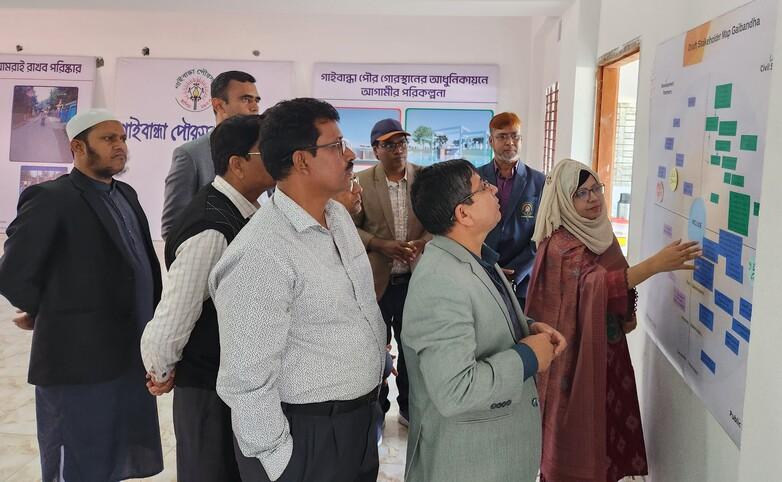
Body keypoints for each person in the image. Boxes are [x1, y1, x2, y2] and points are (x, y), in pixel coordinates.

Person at [209, 98, 386, 482]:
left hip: (356, 424)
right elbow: (245, 380)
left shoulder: (336, 216)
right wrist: (279, 461)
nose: (350, 154)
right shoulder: (261, 252)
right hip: (306, 436)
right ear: (302, 160)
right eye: (336, 145)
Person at [0, 108, 164, 481]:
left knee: (113, 455)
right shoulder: (50, 198)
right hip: (76, 362)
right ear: (77, 146)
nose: (120, 146)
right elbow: (13, 273)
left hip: (126, 357)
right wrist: (45, 310)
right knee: (74, 459)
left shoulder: (126, 194)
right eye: (108, 139)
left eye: (122, 138)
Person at [526, 159, 701, 482]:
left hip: (606, 351)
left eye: (596, 189)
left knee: (607, 428)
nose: (593, 199)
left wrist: (625, 313)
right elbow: (597, 285)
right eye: (582, 193)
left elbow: (609, 284)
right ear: (565, 200)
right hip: (574, 361)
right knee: (575, 433)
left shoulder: (598, 234)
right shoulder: (562, 245)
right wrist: (656, 265)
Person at [401, 159, 566, 482]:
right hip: (468, 464)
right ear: (463, 214)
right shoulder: (440, 281)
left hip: (492, 456)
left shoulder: (475, 258)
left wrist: (527, 326)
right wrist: (528, 356)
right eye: (483, 187)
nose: (493, 189)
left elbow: (479, 318)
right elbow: (456, 390)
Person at [140, 115, 275, 481]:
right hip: (207, 389)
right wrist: (161, 367)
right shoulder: (212, 228)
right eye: (268, 151)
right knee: (209, 471)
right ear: (237, 164)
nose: (279, 157)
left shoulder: (243, 212)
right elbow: (176, 312)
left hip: (231, 382)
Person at [353, 118, 429, 427]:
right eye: (389, 144)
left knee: (412, 350)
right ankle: (377, 410)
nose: (398, 150)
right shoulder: (360, 182)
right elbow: (348, 227)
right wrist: (380, 244)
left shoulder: (424, 179)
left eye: (402, 143)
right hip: (376, 282)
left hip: (416, 280)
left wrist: (422, 244)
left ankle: (409, 409)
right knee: (375, 350)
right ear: (375, 149)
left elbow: (440, 223)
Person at [161, 70, 261, 239]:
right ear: (218, 105)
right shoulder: (191, 155)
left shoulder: (266, 151)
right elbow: (173, 227)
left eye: (256, 100)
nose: (255, 107)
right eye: (246, 99)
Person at [476, 112, 546, 308]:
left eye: (514, 136)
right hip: (482, 275)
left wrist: (516, 271)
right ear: (491, 141)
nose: (509, 142)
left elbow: (541, 234)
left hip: (522, 281)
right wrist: (488, 266)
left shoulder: (539, 182)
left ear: (521, 140)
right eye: (502, 136)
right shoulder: (474, 178)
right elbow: (467, 225)